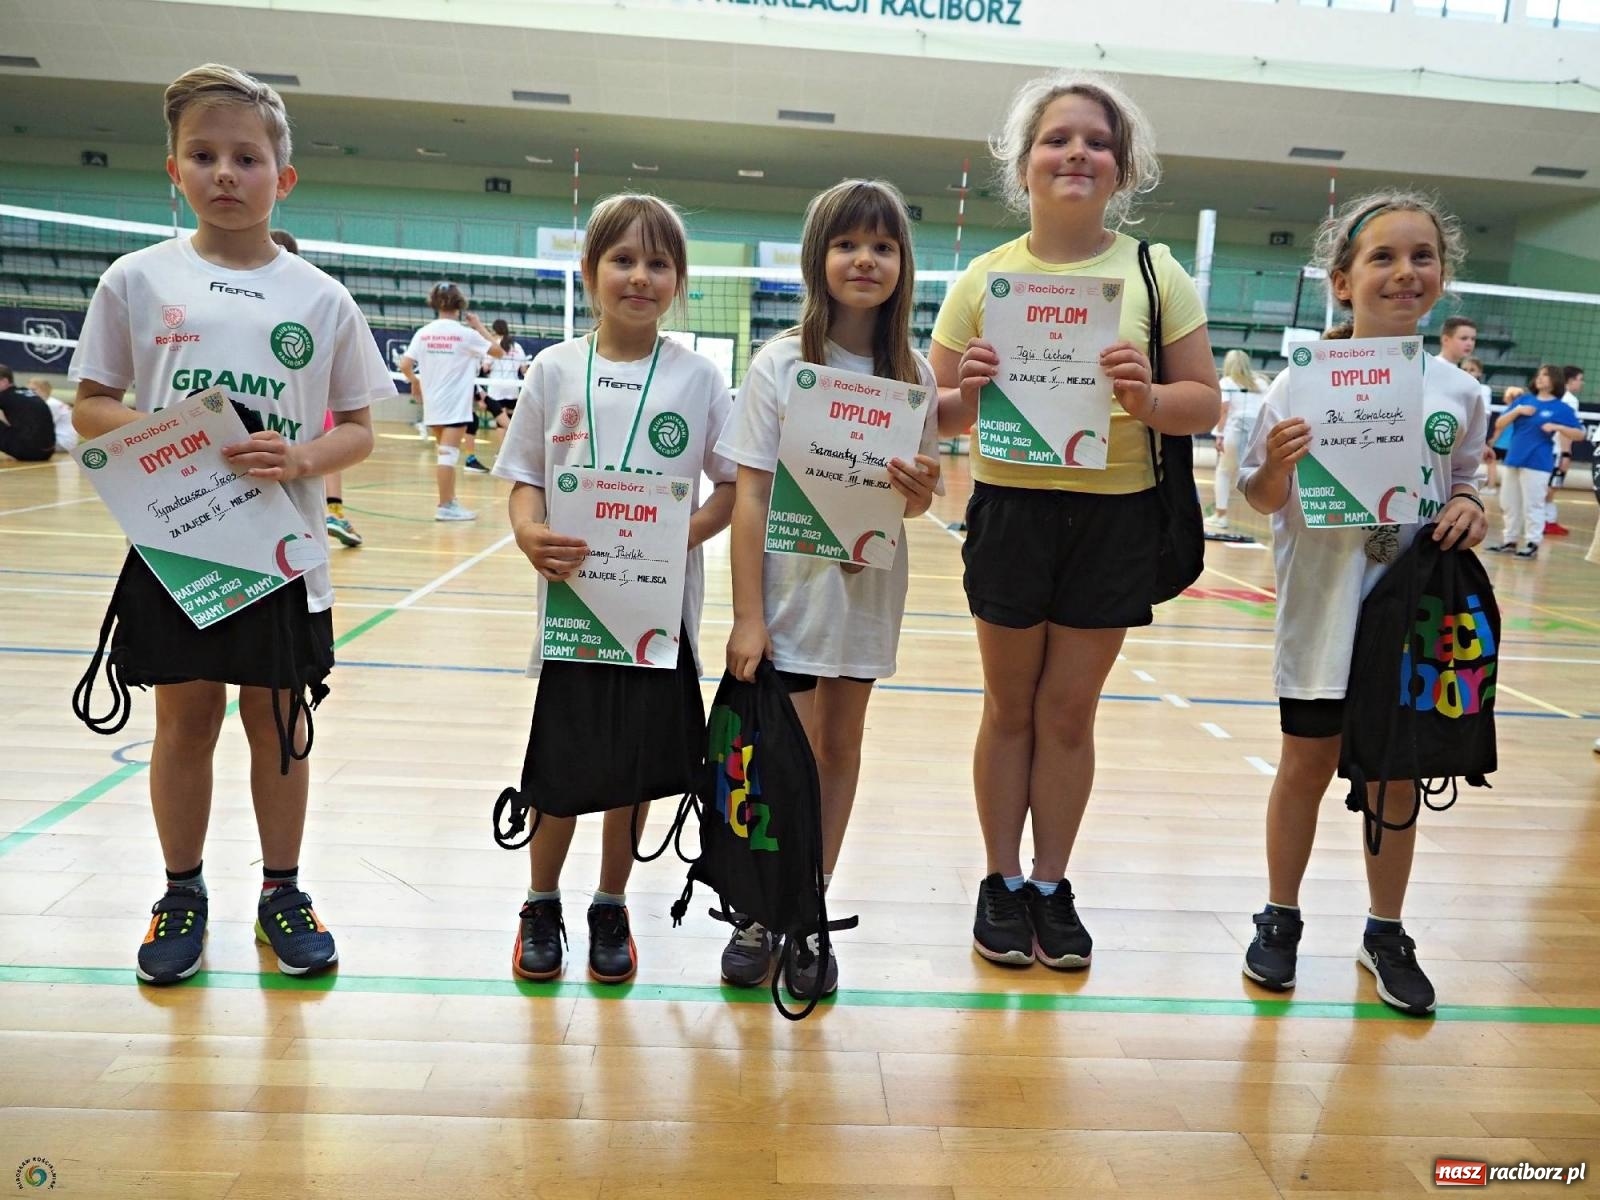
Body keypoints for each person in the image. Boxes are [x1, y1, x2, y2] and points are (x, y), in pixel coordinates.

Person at [68, 63, 392, 985]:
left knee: (279, 721)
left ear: (281, 178)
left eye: (246, 158)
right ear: (173, 168)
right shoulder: (137, 280)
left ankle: (282, 889)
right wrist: (178, 435)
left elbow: (361, 432)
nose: (225, 173)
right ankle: (181, 890)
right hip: (179, 545)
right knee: (185, 719)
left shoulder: (321, 298)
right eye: (203, 155)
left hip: (283, 549)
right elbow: (90, 406)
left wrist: (295, 458)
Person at [930, 72, 1219, 971]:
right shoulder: (985, 277)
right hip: (1011, 511)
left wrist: (1147, 393)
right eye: (1058, 138)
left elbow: (1202, 404)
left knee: (1067, 714)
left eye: (1097, 141)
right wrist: (966, 394)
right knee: (1007, 706)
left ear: (1121, 168)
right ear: (1025, 165)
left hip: (1115, 517)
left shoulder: (1153, 271)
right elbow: (931, 412)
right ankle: (1000, 879)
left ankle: (1051, 886)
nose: (1077, 153)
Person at [1237, 191, 1488, 1016]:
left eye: (1422, 257)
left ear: (1442, 277)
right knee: (1305, 766)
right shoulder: (1297, 383)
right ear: (1343, 282)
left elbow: (1466, 488)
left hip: (1410, 620)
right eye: (1382, 257)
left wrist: (1470, 510)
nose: (1404, 272)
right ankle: (1280, 918)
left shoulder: (1459, 391)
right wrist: (1275, 464)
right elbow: (1259, 499)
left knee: (1397, 777)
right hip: (1321, 616)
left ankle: (1386, 929)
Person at [492, 194, 736, 984]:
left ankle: (609, 902)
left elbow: (729, 491)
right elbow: (524, 480)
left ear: (679, 281)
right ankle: (540, 900)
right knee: (561, 768)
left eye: (658, 263)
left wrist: (676, 539)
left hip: (660, 620)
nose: (640, 276)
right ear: (591, 272)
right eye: (622, 260)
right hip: (575, 614)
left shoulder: (701, 379)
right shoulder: (553, 368)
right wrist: (530, 533)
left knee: (633, 770)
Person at [719, 179, 943, 998]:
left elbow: (912, 498)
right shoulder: (780, 363)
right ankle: (758, 907)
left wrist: (918, 492)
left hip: (866, 593)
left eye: (882, 246)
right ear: (820, 258)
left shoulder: (911, 372)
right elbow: (748, 494)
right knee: (779, 762)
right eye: (848, 243)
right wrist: (748, 616)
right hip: (788, 599)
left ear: (901, 265)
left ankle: (806, 907)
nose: (865, 260)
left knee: (839, 752)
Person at [268, 227, 364, 549]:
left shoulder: (320, 299)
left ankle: (328, 513)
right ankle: (333, 510)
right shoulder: (306, 299)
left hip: (287, 401)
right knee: (325, 442)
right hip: (302, 400)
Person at [399, 282, 504, 520]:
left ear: (434, 303)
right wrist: (478, 326)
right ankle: (445, 505)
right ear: (460, 304)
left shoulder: (423, 333)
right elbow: (499, 352)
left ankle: (450, 501)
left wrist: (414, 381)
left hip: (434, 405)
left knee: (446, 455)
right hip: (455, 406)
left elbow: (404, 365)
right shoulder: (466, 334)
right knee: (448, 456)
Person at [1489, 364, 1584, 558]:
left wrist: (1557, 426)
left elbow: (1579, 434)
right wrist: (1517, 411)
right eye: (1539, 375)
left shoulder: (1561, 408)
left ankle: (1532, 542)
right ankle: (1510, 540)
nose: (1540, 378)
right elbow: (1499, 424)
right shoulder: (1523, 401)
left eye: (1546, 375)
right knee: (1509, 502)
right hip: (1514, 458)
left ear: (1555, 380)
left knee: (1533, 504)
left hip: (1538, 463)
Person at [1207, 349, 1265, 532]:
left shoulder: (1226, 382)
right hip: (1258, 432)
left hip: (1235, 430)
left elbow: (1224, 410)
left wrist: (1219, 435)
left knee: (1223, 472)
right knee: (1258, 472)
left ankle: (1220, 516)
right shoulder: (1261, 382)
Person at [1543, 365, 1585, 536]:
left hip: (1546, 449)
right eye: (1580, 379)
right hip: (1557, 451)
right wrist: (1566, 454)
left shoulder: (1554, 396)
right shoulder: (1570, 400)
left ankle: (1547, 520)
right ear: (1570, 380)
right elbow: (1565, 429)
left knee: (1549, 486)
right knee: (1552, 487)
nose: (1582, 384)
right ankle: (1547, 521)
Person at [481, 317, 528, 458]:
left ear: (494, 330)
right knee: (510, 420)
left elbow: (485, 367)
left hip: (497, 389)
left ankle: (502, 452)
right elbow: (524, 370)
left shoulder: (493, 345)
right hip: (513, 388)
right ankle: (511, 451)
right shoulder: (517, 346)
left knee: (500, 422)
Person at [0, 365, 56, 462]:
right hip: (48, 452)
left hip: (29, 452)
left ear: (4, 381)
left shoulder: (4, 396)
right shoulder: (27, 392)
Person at [1460, 356, 1496, 493]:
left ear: (1480, 372)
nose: (1468, 372)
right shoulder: (1456, 385)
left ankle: (1490, 487)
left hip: (1478, 429)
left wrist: (1483, 440)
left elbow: (1484, 415)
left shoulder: (1484, 389)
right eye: (1465, 369)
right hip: (1461, 429)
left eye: (1472, 370)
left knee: (1487, 458)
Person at [28, 377, 78, 454]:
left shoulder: (50, 404)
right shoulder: (51, 402)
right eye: (28, 390)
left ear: (44, 390)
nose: (29, 393)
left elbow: (39, 426)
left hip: (62, 441)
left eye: (33, 390)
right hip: (65, 441)